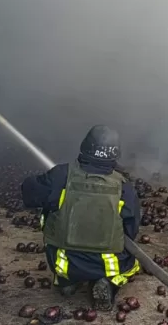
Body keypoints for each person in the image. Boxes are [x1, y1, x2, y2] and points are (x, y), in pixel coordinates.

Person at [21, 125, 141, 310]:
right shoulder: (125, 188)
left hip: (65, 261)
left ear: (84, 147)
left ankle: (67, 281)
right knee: (132, 264)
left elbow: (29, 194)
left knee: (51, 215)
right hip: (105, 263)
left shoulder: (60, 175)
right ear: (115, 155)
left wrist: (43, 183)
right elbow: (131, 231)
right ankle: (108, 283)